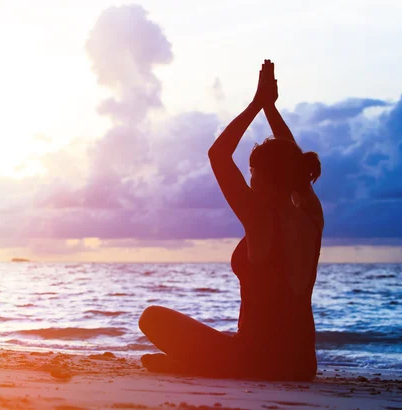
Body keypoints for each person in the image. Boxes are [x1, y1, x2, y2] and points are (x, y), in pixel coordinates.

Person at [138, 60, 323, 381]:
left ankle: (196, 366)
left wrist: (257, 105)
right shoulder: (312, 217)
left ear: (264, 179)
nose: (249, 180)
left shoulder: (260, 218)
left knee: (151, 317)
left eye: (252, 173)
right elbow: (293, 164)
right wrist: (272, 110)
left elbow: (219, 155)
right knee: (222, 341)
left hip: (255, 362)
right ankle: (193, 366)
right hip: (302, 365)